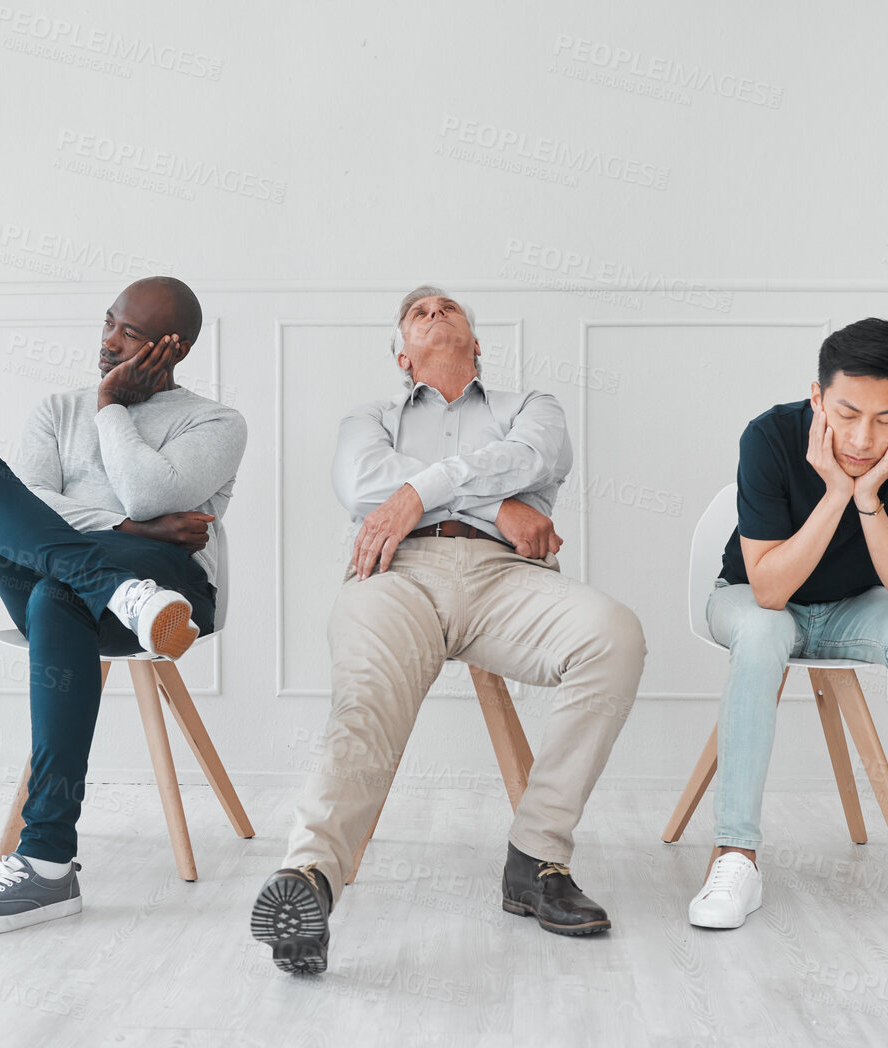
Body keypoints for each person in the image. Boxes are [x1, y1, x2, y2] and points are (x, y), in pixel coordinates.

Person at [250, 286, 646, 974]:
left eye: (447, 306)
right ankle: (310, 879)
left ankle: (537, 859)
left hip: (507, 579)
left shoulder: (532, 407)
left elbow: (536, 458)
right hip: (397, 573)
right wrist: (504, 509)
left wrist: (416, 496)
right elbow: (361, 485)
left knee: (614, 635)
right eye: (417, 312)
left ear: (478, 344)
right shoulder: (368, 417)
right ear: (402, 356)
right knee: (365, 697)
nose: (434, 310)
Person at [0, 276, 246, 935]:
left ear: (173, 347)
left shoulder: (215, 422)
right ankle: (114, 591)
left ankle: (45, 862)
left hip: (172, 589)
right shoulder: (54, 408)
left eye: (129, 333)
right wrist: (130, 533)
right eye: (109, 323)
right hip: (118, 582)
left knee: (55, 592)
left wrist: (111, 406)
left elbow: (145, 493)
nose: (108, 341)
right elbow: (28, 505)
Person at [690, 318, 888, 931]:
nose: (864, 437)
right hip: (751, 600)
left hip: (850, 610)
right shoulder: (768, 435)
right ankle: (736, 856)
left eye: (886, 419)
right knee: (763, 632)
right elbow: (769, 587)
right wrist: (837, 491)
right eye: (846, 413)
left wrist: (868, 497)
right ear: (817, 397)